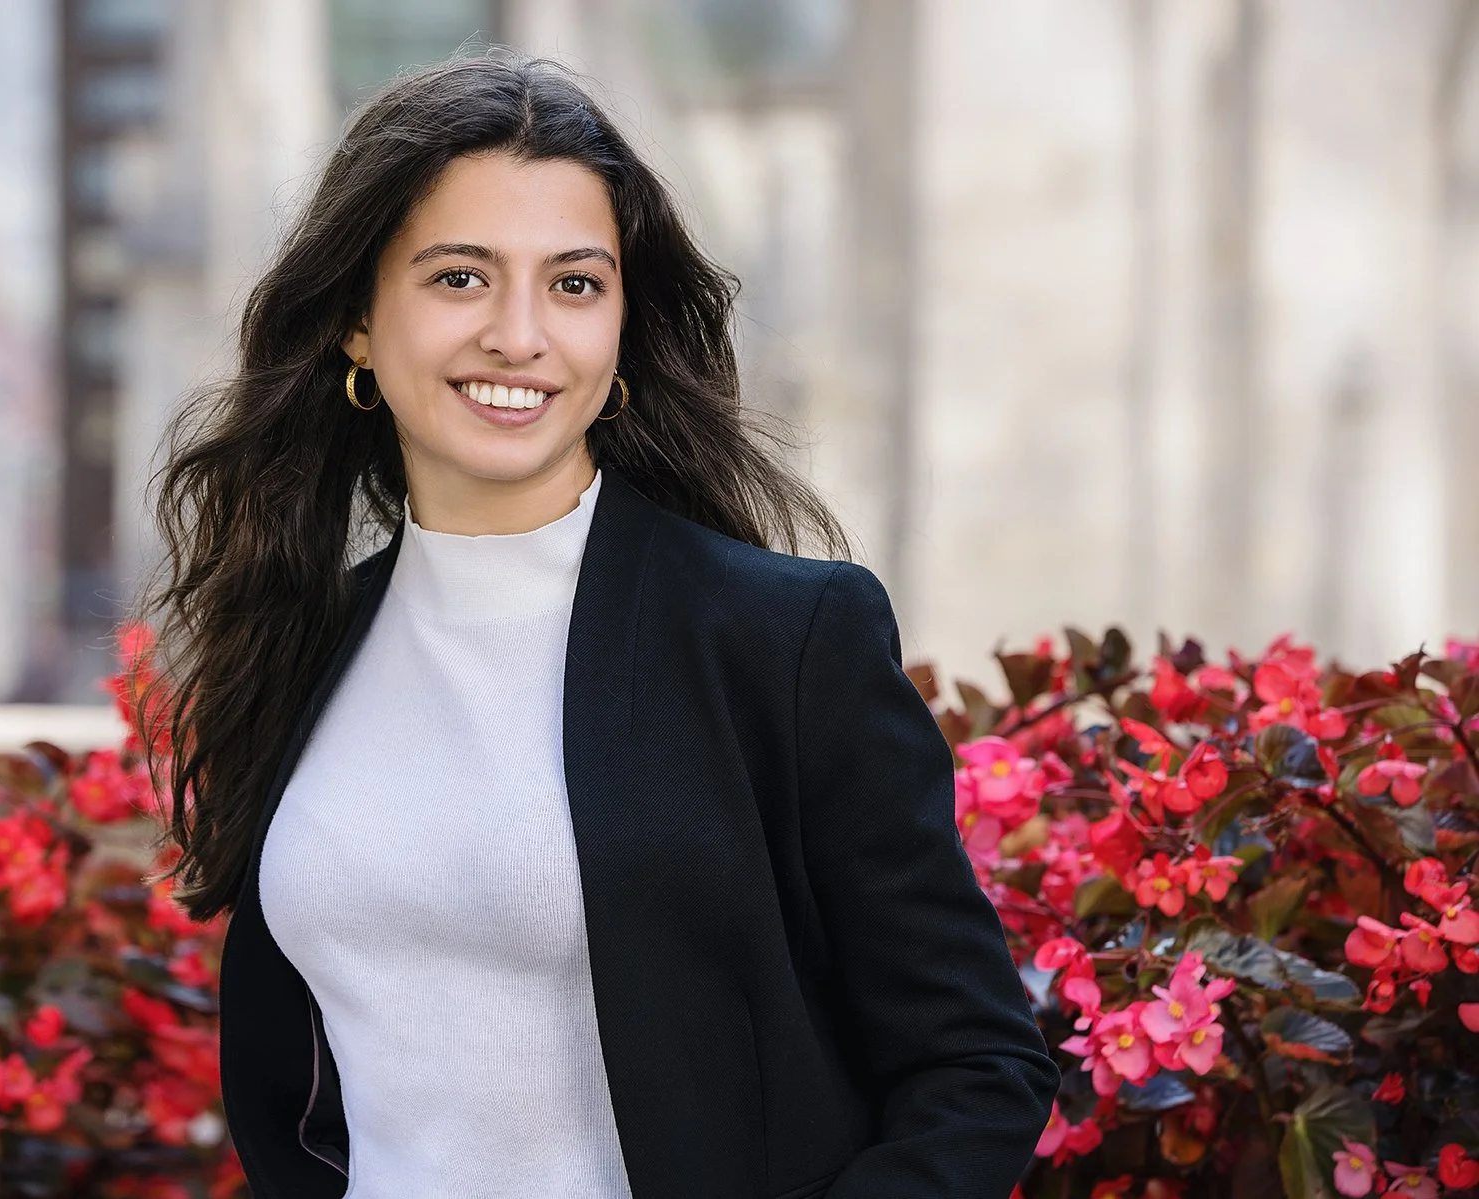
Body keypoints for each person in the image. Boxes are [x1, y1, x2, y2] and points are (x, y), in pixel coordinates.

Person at [136, 51, 1059, 1199]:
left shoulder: (783, 639)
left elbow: (977, 1064)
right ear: (356, 326)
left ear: (623, 328)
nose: (519, 336)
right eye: (459, 277)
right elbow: (307, 1088)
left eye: (574, 284)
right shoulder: (304, 638)